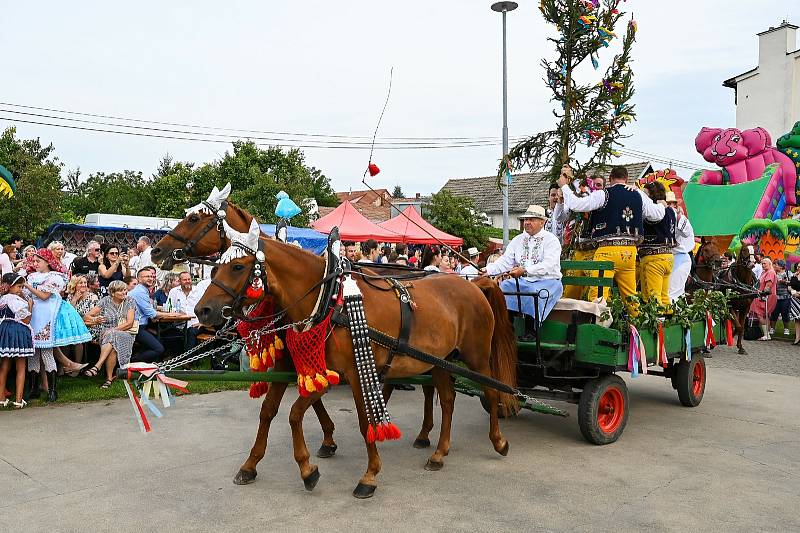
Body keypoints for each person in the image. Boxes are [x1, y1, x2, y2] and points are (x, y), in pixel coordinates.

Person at [559, 165, 666, 308]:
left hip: (607, 251)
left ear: (609, 180)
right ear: (627, 179)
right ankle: (635, 326)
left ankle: (599, 327)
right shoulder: (637, 194)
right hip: (630, 253)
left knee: (599, 298)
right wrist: (661, 205)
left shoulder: (603, 194)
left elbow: (576, 205)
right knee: (631, 299)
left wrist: (565, 186)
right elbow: (656, 215)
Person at [25, 249, 92, 402]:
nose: (35, 264)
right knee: (33, 354)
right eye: (34, 261)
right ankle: (34, 388)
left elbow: (44, 296)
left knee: (47, 352)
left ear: (47, 261)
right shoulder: (32, 276)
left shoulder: (55, 277)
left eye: (38, 261)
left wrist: (27, 287)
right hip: (33, 316)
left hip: (48, 316)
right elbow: (29, 296)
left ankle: (52, 390)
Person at [484, 205, 563, 333]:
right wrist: (488, 270)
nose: (527, 222)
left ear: (542, 222)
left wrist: (525, 270)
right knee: (505, 286)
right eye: (525, 219)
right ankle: (506, 327)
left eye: (531, 219)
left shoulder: (551, 240)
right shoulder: (518, 240)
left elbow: (549, 264)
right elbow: (505, 261)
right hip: (524, 282)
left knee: (532, 292)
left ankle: (531, 331)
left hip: (548, 281)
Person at [84, 280, 137, 388]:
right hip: (106, 333)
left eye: (124, 290)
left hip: (125, 332)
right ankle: (108, 378)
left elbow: (129, 323)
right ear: (113, 293)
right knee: (112, 346)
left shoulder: (130, 301)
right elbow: (87, 316)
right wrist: (96, 320)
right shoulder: (105, 301)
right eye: (120, 291)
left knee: (112, 336)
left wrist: (113, 330)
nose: (124, 292)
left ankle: (98, 366)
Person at [128, 266, 178, 362]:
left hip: (141, 326)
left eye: (152, 276)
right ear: (139, 279)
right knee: (158, 349)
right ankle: (131, 362)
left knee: (162, 337)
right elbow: (151, 313)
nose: (151, 279)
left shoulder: (143, 290)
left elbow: (149, 311)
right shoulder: (139, 292)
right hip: (135, 328)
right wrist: (172, 315)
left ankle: (143, 364)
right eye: (147, 276)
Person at [638, 182, 677, 307]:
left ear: (649, 194)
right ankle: (668, 322)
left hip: (654, 258)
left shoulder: (654, 210)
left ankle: (658, 324)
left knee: (653, 300)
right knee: (664, 297)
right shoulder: (671, 211)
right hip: (668, 257)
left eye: (645, 193)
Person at [0, 273, 34, 409]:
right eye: (19, 286)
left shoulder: (2, 299)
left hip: (4, 331)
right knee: (20, 366)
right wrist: (30, 306)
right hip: (17, 331)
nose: (21, 289)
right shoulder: (17, 301)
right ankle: (19, 400)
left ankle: (1, 398)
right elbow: (26, 320)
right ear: (10, 286)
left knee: (5, 365)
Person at [66, 275, 101, 363]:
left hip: (91, 327)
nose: (83, 285)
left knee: (77, 335)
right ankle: (65, 365)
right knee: (64, 335)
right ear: (75, 285)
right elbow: (67, 314)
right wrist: (74, 299)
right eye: (80, 283)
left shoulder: (93, 297)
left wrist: (80, 323)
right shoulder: (71, 296)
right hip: (75, 326)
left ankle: (77, 365)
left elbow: (93, 318)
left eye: (85, 282)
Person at [167, 271, 202, 349]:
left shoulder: (199, 291)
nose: (188, 281)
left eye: (189, 279)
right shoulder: (174, 291)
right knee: (167, 334)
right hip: (179, 323)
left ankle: (189, 359)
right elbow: (169, 307)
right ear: (180, 281)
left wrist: (202, 323)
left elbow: (206, 308)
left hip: (196, 323)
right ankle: (174, 357)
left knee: (191, 332)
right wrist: (177, 312)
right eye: (185, 280)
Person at [750, 257, 777, 341]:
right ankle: (767, 334)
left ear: (770, 264)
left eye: (765, 263)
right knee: (764, 315)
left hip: (765, 296)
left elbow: (768, 286)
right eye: (762, 263)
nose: (763, 265)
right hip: (761, 295)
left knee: (760, 314)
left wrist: (762, 295)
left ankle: (766, 335)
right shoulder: (764, 272)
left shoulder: (771, 272)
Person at [770, 259, 791, 337]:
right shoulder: (773, 273)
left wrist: (785, 282)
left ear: (781, 266)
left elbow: (792, 282)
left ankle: (786, 329)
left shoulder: (788, 273)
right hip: (775, 297)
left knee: (785, 313)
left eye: (777, 265)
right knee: (774, 313)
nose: (775, 266)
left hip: (786, 297)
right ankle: (772, 328)